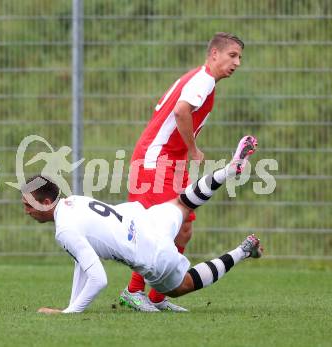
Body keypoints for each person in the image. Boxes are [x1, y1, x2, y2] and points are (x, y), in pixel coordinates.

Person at [22, 136, 261, 314]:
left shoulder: (64, 229)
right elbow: (81, 262)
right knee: (183, 202)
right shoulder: (73, 201)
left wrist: (70, 314)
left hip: (152, 253)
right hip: (147, 220)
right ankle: (229, 170)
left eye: (29, 205)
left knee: (183, 285)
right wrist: (70, 306)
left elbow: (98, 279)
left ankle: (243, 251)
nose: (26, 211)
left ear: (45, 202)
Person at [123, 32, 245, 311]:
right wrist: (193, 149)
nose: (237, 62)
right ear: (214, 54)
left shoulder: (204, 80)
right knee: (155, 227)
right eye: (232, 55)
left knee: (184, 227)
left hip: (172, 161)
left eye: (239, 57)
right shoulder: (202, 80)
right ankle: (132, 291)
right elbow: (181, 111)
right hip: (156, 160)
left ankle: (157, 296)